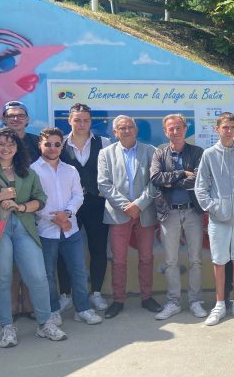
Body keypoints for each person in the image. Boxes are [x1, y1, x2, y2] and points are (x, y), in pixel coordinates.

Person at [0, 128, 66, 347]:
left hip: (23, 226)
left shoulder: (27, 172)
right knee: (2, 278)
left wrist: (20, 205)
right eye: (2, 144)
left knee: (38, 277)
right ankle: (6, 327)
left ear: (17, 148)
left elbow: (40, 200)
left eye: (11, 145)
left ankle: (45, 324)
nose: (6, 148)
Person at [32, 128, 103, 327]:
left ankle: (83, 309)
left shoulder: (70, 170)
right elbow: (32, 199)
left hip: (70, 230)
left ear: (61, 146)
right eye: (48, 144)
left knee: (78, 270)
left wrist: (68, 214)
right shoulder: (31, 171)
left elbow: (78, 196)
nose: (53, 148)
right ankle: (53, 310)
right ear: (40, 145)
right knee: (47, 273)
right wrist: (54, 218)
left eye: (57, 144)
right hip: (45, 231)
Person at [195, 112, 234, 325]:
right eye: (225, 127)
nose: (229, 131)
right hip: (218, 220)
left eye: (232, 127)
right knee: (219, 262)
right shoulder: (209, 155)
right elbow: (201, 188)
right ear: (217, 129)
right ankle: (220, 304)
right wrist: (214, 209)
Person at [97, 115, 162, 319]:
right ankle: (118, 300)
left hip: (144, 213)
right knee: (118, 260)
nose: (126, 131)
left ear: (136, 130)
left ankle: (147, 297)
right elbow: (104, 184)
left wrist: (139, 204)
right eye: (121, 128)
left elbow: (155, 182)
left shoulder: (150, 151)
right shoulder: (105, 153)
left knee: (146, 257)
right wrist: (126, 206)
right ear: (115, 132)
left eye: (130, 127)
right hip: (118, 214)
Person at [150, 114, 206, 320]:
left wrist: (171, 180)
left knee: (196, 260)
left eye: (179, 128)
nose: (175, 132)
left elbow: (199, 180)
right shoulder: (159, 154)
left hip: (192, 211)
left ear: (185, 129)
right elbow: (156, 178)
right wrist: (183, 173)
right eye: (171, 129)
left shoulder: (198, 152)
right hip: (169, 212)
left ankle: (195, 301)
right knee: (171, 261)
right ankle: (173, 302)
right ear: (166, 131)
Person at [59, 103, 111, 311]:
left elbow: (113, 170)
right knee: (65, 250)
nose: (82, 124)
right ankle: (66, 294)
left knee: (98, 249)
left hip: (96, 205)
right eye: (77, 120)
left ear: (91, 121)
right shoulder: (59, 144)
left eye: (86, 120)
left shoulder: (104, 142)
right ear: (69, 121)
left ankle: (96, 292)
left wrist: (106, 190)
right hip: (69, 206)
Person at [1, 100, 41, 317]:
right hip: (3, 210)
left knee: (30, 258)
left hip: (32, 209)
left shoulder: (37, 142)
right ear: (4, 119)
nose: (16, 119)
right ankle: (12, 304)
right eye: (11, 115)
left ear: (27, 119)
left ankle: (28, 303)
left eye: (20, 115)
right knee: (9, 261)